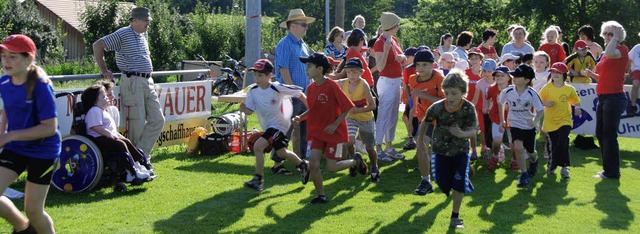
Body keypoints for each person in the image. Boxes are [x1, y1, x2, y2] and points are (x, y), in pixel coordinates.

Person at [0, 34, 59, 234]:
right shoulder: (4, 83)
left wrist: (9, 136)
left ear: (29, 59)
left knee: (34, 211)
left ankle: (30, 225)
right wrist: (2, 133)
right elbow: (8, 108)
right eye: (4, 56)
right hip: (16, 147)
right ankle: (23, 228)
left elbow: (50, 127)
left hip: (43, 152)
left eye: (13, 56)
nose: (6, 61)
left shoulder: (41, 86)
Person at [293, 53, 367, 204]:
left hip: (336, 133)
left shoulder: (332, 86)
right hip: (318, 132)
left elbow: (347, 107)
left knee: (331, 167)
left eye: (309, 66)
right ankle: (321, 195)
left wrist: (335, 124)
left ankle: (355, 161)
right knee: (313, 163)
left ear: (320, 69)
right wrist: (301, 118)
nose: (306, 69)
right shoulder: (310, 88)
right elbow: (313, 110)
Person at [92, 7, 165, 159]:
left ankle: (139, 155)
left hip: (147, 81)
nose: (148, 24)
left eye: (148, 21)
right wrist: (104, 70)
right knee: (136, 124)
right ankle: (135, 160)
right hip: (132, 81)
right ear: (135, 20)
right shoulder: (123, 33)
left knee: (158, 119)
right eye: (146, 21)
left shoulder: (143, 34)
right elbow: (98, 45)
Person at [416, 69, 476, 229]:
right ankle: (464, 174)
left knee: (458, 185)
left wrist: (463, 133)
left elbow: (474, 130)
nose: (449, 98)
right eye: (447, 93)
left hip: (461, 151)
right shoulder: (437, 107)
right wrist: (420, 140)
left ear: (463, 92)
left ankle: (455, 216)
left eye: (454, 94)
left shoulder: (468, 108)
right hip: (440, 150)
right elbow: (425, 121)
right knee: (443, 183)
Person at [239, 59, 310, 191]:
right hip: (269, 126)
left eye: (260, 75)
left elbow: (300, 93)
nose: (256, 78)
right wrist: (244, 109)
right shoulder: (253, 91)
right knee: (282, 152)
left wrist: (310, 110)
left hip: (280, 125)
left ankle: (258, 179)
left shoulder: (276, 87)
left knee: (258, 146)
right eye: (255, 75)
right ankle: (303, 165)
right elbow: (250, 111)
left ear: (269, 76)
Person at [581, 21, 629, 179]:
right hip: (604, 97)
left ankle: (612, 171)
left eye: (611, 33)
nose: (607, 36)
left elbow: (610, 52)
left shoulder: (621, 49)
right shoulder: (607, 54)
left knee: (608, 134)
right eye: (606, 33)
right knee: (601, 134)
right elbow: (604, 75)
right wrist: (592, 75)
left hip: (614, 97)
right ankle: (608, 169)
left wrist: (616, 37)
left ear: (618, 36)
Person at [272, 9, 316, 174]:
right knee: (286, 129)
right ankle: (277, 164)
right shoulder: (284, 44)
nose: (306, 28)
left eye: (306, 25)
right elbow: (283, 70)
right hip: (290, 95)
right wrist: (293, 91)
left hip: (303, 94)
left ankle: (300, 160)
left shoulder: (303, 45)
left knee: (304, 129)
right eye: (303, 25)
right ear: (292, 26)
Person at [81, 85, 153, 182]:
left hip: (106, 137)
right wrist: (109, 134)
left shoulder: (103, 111)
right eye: (103, 96)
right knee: (121, 144)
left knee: (126, 141)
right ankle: (130, 172)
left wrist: (116, 135)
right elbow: (95, 127)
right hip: (98, 140)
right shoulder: (94, 110)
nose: (106, 97)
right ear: (94, 101)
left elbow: (111, 129)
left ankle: (138, 165)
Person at [498, 64, 544, 187]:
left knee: (530, 151)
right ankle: (524, 174)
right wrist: (502, 120)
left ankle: (535, 160)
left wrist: (534, 120)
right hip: (514, 124)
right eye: (514, 75)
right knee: (517, 147)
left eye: (518, 76)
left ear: (526, 80)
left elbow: (540, 110)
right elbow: (501, 103)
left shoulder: (532, 93)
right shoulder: (507, 91)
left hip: (528, 126)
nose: (514, 78)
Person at [409, 50, 445, 196]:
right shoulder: (412, 79)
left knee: (447, 152)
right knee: (421, 145)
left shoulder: (440, 78)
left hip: (443, 118)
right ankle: (426, 181)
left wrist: (423, 95)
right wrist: (413, 111)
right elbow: (412, 96)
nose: (421, 68)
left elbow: (445, 102)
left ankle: (463, 170)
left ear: (432, 65)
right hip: (426, 118)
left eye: (424, 64)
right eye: (418, 65)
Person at [337, 58, 379, 182]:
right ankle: (354, 160)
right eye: (349, 72)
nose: (351, 75)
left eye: (354, 72)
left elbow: (373, 105)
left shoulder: (364, 85)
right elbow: (328, 82)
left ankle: (375, 167)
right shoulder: (342, 83)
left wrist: (357, 110)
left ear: (361, 72)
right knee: (349, 141)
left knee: (370, 147)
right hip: (351, 117)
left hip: (366, 119)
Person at [539, 62, 582, 179]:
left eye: (558, 72)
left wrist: (577, 108)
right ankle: (552, 165)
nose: (555, 74)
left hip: (565, 120)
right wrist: (545, 104)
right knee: (553, 145)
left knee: (563, 141)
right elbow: (538, 101)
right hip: (550, 122)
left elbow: (576, 100)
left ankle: (564, 168)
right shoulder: (546, 88)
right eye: (553, 72)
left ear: (564, 74)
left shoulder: (569, 89)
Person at [373, 12, 406, 160]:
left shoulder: (394, 40)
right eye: (396, 25)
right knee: (384, 114)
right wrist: (386, 51)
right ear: (391, 26)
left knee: (393, 115)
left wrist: (403, 57)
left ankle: (389, 146)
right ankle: (378, 147)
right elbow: (380, 67)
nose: (398, 27)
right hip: (386, 81)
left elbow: (402, 56)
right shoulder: (380, 42)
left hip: (395, 80)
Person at [486, 66, 513, 170]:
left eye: (502, 75)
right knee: (496, 141)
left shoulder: (513, 90)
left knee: (513, 143)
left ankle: (515, 159)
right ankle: (495, 155)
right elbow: (488, 98)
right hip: (496, 117)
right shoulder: (492, 88)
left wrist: (505, 106)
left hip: (511, 118)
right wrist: (488, 107)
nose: (499, 77)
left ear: (509, 77)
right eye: (497, 75)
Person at [471, 59, 497, 159]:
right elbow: (475, 99)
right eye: (485, 71)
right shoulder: (480, 83)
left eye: (489, 71)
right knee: (482, 130)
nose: (486, 74)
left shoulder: (497, 82)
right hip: (483, 111)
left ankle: (492, 151)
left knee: (493, 133)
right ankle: (478, 150)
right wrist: (470, 109)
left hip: (495, 111)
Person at [464, 52, 484, 160]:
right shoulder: (465, 73)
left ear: (481, 60)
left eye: (477, 58)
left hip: (483, 105)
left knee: (483, 130)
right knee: (471, 129)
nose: (474, 61)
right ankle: (474, 151)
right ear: (469, 61)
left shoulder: (485, 72)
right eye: (472, 59)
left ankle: (484, 149)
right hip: (469, 105)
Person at [401, 47, 418, 151]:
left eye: (408, 56)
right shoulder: (408, 68)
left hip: (418, 99)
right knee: (406, 117)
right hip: (411, 98)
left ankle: (412, 139)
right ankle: (411, 139)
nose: (406, 58)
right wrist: (408, 98)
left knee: (410, 118)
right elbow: (406, 85)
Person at [626, 33, 640, 116]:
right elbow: (629, 59)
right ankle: (633, 105)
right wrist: (628, 71)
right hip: (637, 69)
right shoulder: (637, 47)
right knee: (636, 84)